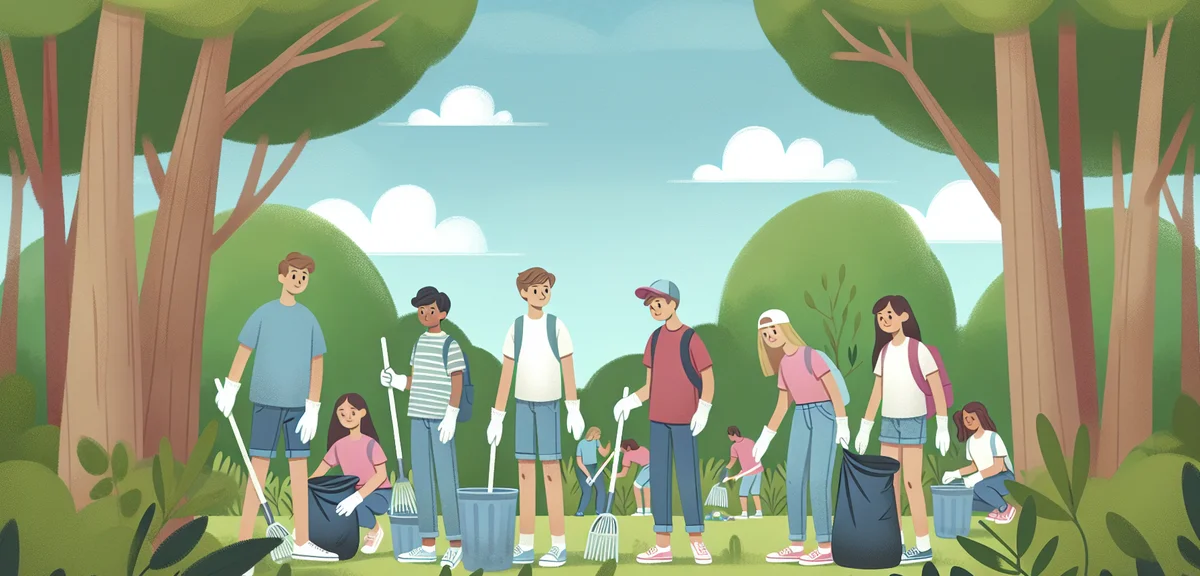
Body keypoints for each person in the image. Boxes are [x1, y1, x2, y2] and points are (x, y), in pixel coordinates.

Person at [215, 252, 337, 567]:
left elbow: (317, 362)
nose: (298, 279)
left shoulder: (309, 319)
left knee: (299, 470)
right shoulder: (263, 314)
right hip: (266, 404)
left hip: (299, 407)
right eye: (293, 274)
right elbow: (244, 350)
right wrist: (231, 387)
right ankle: (244, 547)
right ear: (282, 277)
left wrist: (314, 407)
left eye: (304, 276)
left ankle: (302, 540)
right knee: (258, 471)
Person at [486, 267, 586, 568]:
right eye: (536, 289)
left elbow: (568, 367)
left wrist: (573, 408)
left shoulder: (557, 326)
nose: (542, 293)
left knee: (551, 472)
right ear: (523, 293)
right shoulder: (516, 328)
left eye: (546, 288)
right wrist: (497, 416)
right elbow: (507, 373)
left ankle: (558, 545)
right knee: (525, 474)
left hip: (550, 406)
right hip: (521, 405)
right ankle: (526, 543)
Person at [613, 279, 715, 565]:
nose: (654, 309)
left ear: (673, 304)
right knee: (658, 480)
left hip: (685, 421)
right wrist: (631, 401)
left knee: (688, 479)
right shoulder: (654, 339)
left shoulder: (691, 338)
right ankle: (662, 544)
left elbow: (708, 377)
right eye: (651, 305)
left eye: (659, 303)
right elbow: (650, 385)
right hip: (657, 420)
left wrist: (703, 408)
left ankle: (697, 541)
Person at [854, 295, 950, 565]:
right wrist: (865, 427)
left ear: (904, 316)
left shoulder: (918, 350)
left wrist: (942, 424)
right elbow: (877, 392)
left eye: (889, 315)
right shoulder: (884, 353)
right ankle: (895, 541)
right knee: (890, 485)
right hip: (888, 423)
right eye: (881, 317)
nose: (885, 320)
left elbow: (936, 387)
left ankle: (922, 545)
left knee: (911, 483)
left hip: (912, 422)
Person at [749, 310, 850, 566]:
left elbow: (833, 389)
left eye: (774, 330)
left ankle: (826, 546)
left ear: (785, 327)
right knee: (793, 478)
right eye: (765, 334)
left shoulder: (810, 355)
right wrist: (766, 436)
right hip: (800, 416)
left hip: (824, 413)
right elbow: (783, 404)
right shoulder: (784, 364)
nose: (770, 336)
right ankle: (796, 543)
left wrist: (842, 422)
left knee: (818, 479)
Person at [380, 286, 465, 568]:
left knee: (447, 480)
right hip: (418, 416)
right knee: (424, 480)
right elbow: (415, 382)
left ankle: (456, 543)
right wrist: (396, 380)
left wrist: (451, 414)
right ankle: (428, 545)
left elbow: (457, 382)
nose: (425, 314)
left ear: (442, 313)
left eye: (431, 309)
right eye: (421, 309)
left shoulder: (449, 344)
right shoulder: (419, 343)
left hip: (441, 421)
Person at [309, 393, 393, 555]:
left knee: (355, 507)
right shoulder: (338, 446)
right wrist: (305, 487)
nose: (347, 416)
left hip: (379, 493)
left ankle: (375, 530)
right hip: (353, 492)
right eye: (342, 413)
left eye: (352, 412)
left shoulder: (371, 444)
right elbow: (320, 472)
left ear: (362, 413)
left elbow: (381, 475)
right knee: (334, 506)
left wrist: (357, 497)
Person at [942, 402, 1016, 524]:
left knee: (980, 487)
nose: (969, 421)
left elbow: (998, 467)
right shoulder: (970, 442)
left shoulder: (993, 437)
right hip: (985, 481)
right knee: (966, 499)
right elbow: (974, 467)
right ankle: (997, 507)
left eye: (972, 417)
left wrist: (975, 478)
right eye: (966, 419)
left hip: (1004, 479)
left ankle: (1006, 509)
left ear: (981, 417)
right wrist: (955, 473)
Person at [724, 426, 763, 520]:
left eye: (729, 435)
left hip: (749, 472)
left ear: (733, 434)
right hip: (759, 469)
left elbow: (732, 462)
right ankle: (759, 513)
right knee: (755, 492)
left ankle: (744, 514)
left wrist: (724, 469)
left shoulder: (734, 447)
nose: (729, 437)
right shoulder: (750, 441)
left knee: (743, 493)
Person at [574, 427, 612, 516]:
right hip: (583, 469)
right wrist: (588, 475)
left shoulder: (596, 442)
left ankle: (599, 512)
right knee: (587, 491)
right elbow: (579, 462)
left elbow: (604, 453)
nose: (599, 436)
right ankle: (580, 512)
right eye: (598, 434)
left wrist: (609, 445)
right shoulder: (581, 444)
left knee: (601, 490)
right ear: (593, 433)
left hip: (594, 468)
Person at [613, 439, 652, 516]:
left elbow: (624, 473)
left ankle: (640, 510)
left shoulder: (627, 455)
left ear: (628, 448)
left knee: (636, 486)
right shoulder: (642, 448)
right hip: (654, 466)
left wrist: (614, 475)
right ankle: (647, 511)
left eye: (622, 449)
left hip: (648, 467)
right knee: (646, 487)